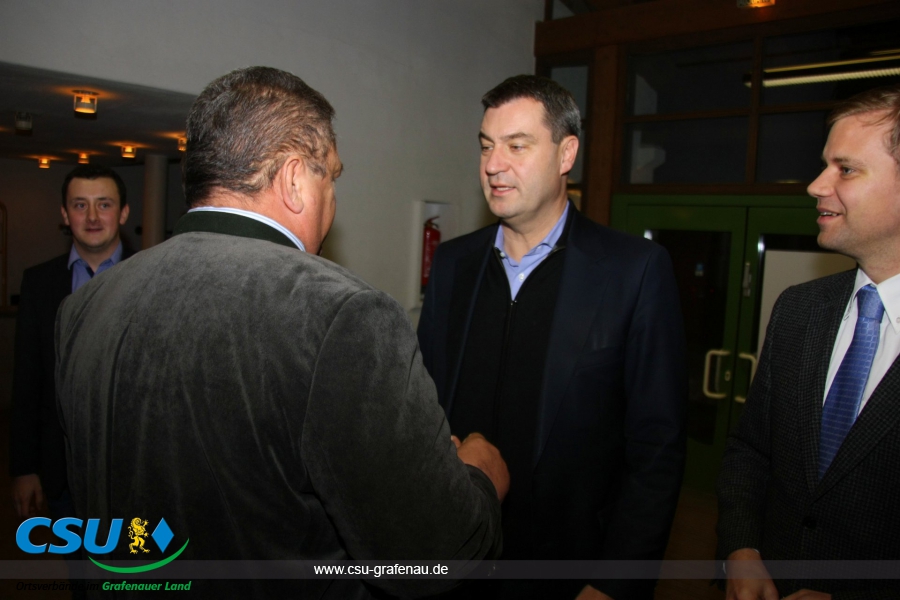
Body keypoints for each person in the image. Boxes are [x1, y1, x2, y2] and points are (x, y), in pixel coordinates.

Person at [55, 67, 508, 599]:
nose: (333, 200)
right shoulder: (341, 313)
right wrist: (479, 477)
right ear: (295, 180)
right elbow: (429, 555)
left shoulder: (84, 307)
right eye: (331, 177)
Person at [417, 74, 687, 600]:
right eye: (487, 146)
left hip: (569, 570)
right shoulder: (453, 264)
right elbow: (425, 405)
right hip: (456, 556)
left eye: (517, 146)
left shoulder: (633, 271)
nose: (493, 164)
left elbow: (657, 446)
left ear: (567, 154)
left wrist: (614, 582)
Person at [717, 84, 900, 599]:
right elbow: (750, 450)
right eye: (825, 166)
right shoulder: (799, 308)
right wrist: (741, 551)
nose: (816, 185)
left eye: (846, 169)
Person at [10, 165, 131, 521]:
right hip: (61, 473)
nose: (92, 217)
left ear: (123, 213)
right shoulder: (38, 284)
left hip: (133, 470)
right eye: (80, 205)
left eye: (104, 204)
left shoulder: (154, 278)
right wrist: (24, 467)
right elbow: (27, 380)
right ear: (65, 215)